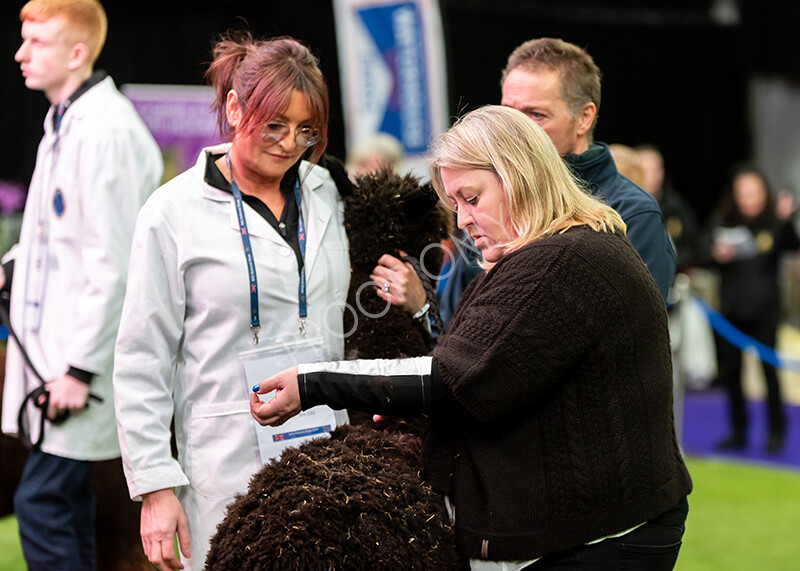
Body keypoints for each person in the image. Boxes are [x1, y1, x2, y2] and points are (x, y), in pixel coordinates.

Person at [251, 105, 692, 570]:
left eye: (472, 197)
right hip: (590, 533)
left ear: (518, 176)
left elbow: (452, 378)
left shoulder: (559, 261)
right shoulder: (555, 251)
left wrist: (312, 382)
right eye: (455, 203)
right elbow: (479, 377)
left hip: (600, 540)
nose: (461, 220)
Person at [111, 32, 426, 571]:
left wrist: (413, 292)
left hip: (330, 458)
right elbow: (142, 358)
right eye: (274, 124)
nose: (288, 143)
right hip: (225, 461)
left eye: (306, 130)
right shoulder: (171, 213)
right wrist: (155, 488)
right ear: (234, 107)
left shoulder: (327, 189)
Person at [0, 0, 163, 569]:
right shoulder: (64, 122)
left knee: (41, 503)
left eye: (37, 42)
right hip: (52, 361)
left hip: (76, 372)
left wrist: (79, 370)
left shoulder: (107, 134)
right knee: (61, 509)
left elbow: (115, 264)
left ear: (76, 53)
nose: (21, 53)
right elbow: (52, 238)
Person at [438, 39, 676, 331]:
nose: (517, 130)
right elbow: (451, 329)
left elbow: (622, 341)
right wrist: (418, 309)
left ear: (584, 118)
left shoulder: (631, 212)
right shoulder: (489, 203)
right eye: (509, 113)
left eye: (535, 115)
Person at [709, 164, 799, 453]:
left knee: (769, 373)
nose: (749, 199)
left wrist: (786, 221)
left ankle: (776, 431)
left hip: (765, 312)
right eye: (743, 193)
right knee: (732, 374)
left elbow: (792, 246)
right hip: (731, 312)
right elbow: (701, 250)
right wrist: (715, 254)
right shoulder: (722, 219)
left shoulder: (775, 222)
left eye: (754, 192)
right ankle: (738, 431)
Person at [636, 144, 702, 273]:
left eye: (655, 170)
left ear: (662, 173)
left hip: (672, 278)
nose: (651, 176)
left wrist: (668, 264)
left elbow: (693, 246)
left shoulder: (675, 206)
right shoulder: (622, 207)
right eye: (645, 170)